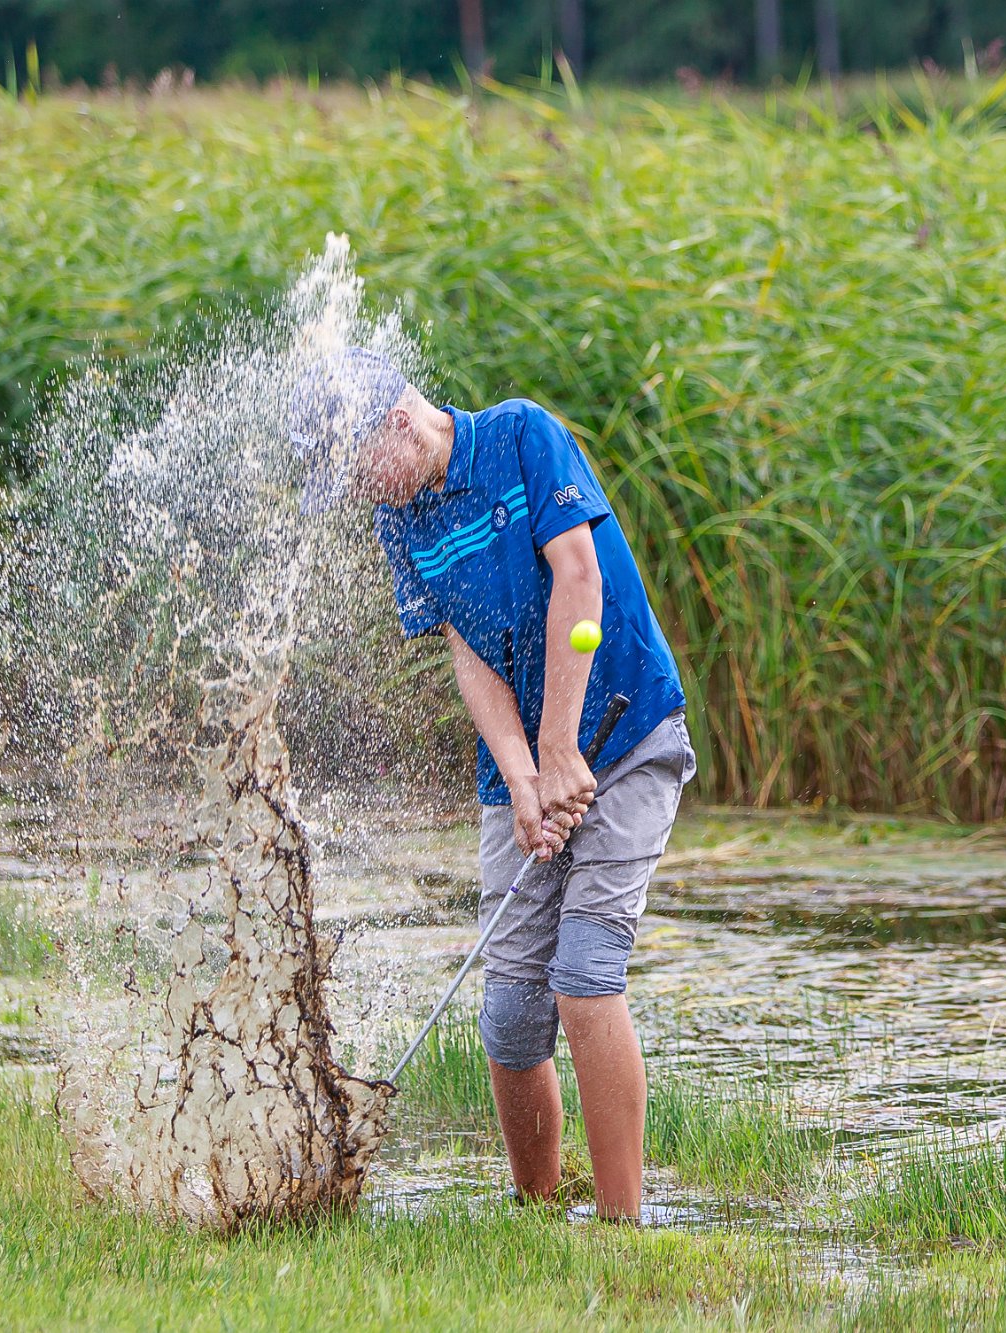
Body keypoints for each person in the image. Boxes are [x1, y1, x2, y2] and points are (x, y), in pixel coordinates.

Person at [288, 346, 695, 1222]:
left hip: (626, 733)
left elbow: (579, 581)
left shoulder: (521, 436)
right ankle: (538, 1211)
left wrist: (559, 753)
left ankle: (621, 1225)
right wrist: (521, 778)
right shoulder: (400, 518)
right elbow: (469, 656)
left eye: (356, 470)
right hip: (525, 761)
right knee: (511, 1010)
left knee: (585, 975)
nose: (360, 491)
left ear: (398, 420)